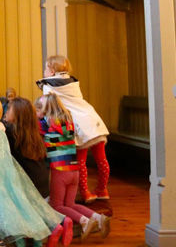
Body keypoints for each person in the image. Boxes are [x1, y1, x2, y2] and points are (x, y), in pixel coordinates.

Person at [0, 95, 68, 247]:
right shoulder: (16, 130)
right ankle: (44, 235)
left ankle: (22, 240)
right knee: (23, 205)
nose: (6, 112)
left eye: (8, 109)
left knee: (12, 209)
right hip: (36, 187)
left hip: (0, 178)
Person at [36, 55, 110, 203]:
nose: (44, 71)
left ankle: (85, 193)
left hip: (78, 125)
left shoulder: (48, 86)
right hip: (92, 119)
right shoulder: (73, 82)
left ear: (51, 71)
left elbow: (50, 105)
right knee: (101, 159)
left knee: (80, 161)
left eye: (45, 68)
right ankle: (103, 189)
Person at [37, 94, 110, 240]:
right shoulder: (68, 122)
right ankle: (98, 217)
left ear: (44, 110)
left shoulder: (46, 124)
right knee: (69, 204)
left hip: (60, 171)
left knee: (57, 206)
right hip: (74, 170)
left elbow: (40, 134)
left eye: (38, 108)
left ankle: (85, 222)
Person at [3, 97, 50, 199]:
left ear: (18, 114)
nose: (5, 112)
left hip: (31, 192)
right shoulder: (33, 134)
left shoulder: (11, 133)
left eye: (9, 109)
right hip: (44, 190)